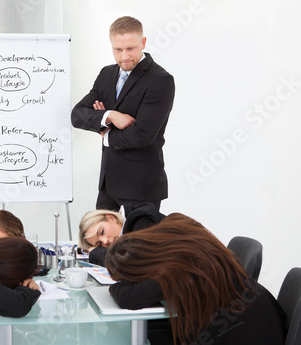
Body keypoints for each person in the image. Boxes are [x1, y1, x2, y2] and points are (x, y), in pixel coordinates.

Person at [104, 213, 287, 345]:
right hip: (260, 320)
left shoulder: (176, 271)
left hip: (250, 335)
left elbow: (129, 298)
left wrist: (116, 286)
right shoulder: (180, 240)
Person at [71, 16, 175, 211]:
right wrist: (110, 115)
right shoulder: (106, 74)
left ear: (143, 43)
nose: (124, 56)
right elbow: (77, 115)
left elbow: (142, 134)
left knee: (138, 242)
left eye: (130, 49)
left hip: (141, 185)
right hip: (108, 184)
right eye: (118, 50)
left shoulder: (160, 80)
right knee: (97, 240)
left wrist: (106, 134)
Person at [78, 201, 164, 265]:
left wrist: (95, 251)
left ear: (111, 218)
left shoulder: (140, 218)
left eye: (102, 232)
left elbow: (130, 264)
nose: (105, 241)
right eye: (99, 244)